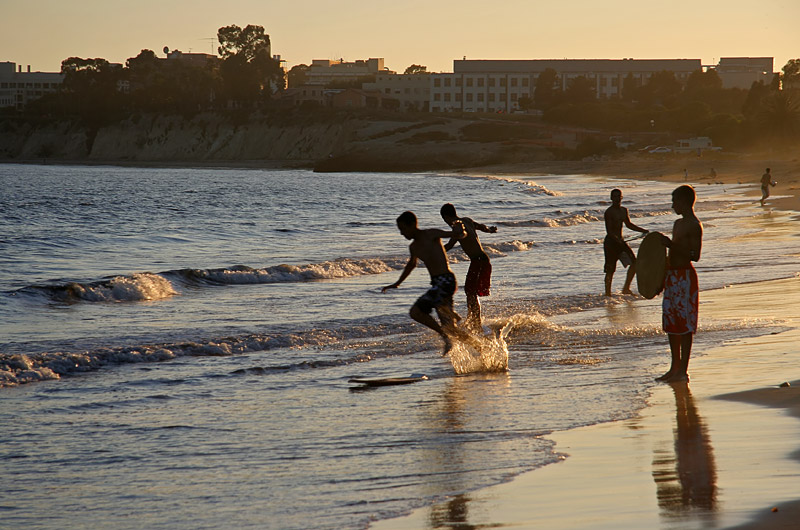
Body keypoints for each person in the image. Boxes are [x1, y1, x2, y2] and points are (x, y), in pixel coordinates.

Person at [382, 211, 466, 354]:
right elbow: (411, 265)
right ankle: (479, 346)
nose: (402, 234)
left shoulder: (430, 234)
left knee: (416, 311)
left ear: (412, 225)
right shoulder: (413, 247)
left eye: (403, 229)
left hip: (446, 281)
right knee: (450, 328)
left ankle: (447, 332)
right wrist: (397, 283)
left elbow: (458, 235)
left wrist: (460, 230)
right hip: (437, 284)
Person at [656, 185, 703, 383]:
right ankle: (673, 368)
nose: (673, 205)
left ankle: (683, 370)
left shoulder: (694, 225)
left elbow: (696, 256)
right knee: (671, 325)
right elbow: (670, 254)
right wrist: (660, 279)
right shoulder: (677, 224)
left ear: (684, 201)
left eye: (675, 201)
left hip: (685, 277)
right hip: (672, 277)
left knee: (684, 326)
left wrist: (671, 245)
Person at [440, 203, 497, 333]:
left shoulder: (457, 226)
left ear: (445, 216)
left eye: (444, 219)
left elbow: (449, 245)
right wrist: (490, 230)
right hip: (482, 260)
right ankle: (473, 319)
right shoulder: (467, 220)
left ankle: (476, 321)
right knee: (471, 292)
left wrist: (434, 253)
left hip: (479, 261)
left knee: (470, 292)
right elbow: (482, 227)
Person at [603, 189, 648, 296]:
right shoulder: (609, 212)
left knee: (635, 263)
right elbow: (609, 232)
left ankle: (626, 288)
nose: (617, 198)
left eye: (619, 196)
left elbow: (629, 225)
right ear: (611, 198)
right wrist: (617, 240)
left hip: (621, 242)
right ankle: (607, 294)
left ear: (621, 197)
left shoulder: (624, 210)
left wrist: (642, 230)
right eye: (614, 196)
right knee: (610, 270)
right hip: (611, 244)